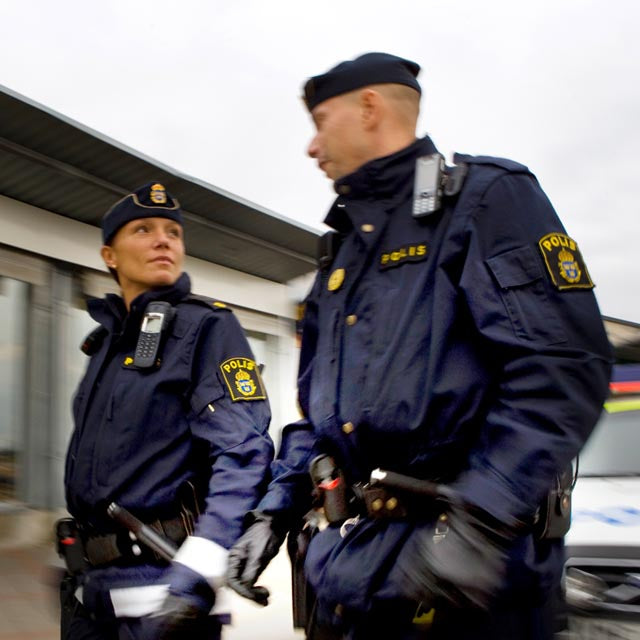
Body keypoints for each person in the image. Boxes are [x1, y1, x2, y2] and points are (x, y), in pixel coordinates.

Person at [225, 53, 612, 640]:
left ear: (369, 108)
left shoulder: (483, 202)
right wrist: (271, 515)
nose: (311, 146)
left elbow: (561, 370)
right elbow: (320, 421)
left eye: (320, 122)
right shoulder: (341, 254)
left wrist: (479, 522)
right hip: (352, 577)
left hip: (466, 587)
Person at [58, 182, 274, 639]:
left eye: (173, 232)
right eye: (143, 229)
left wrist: (203, 564)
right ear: (109, 255)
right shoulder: (104, 344)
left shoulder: (206, 327)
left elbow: (243, 453)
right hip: (88, 594)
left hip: (162, 593)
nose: (163, 241)